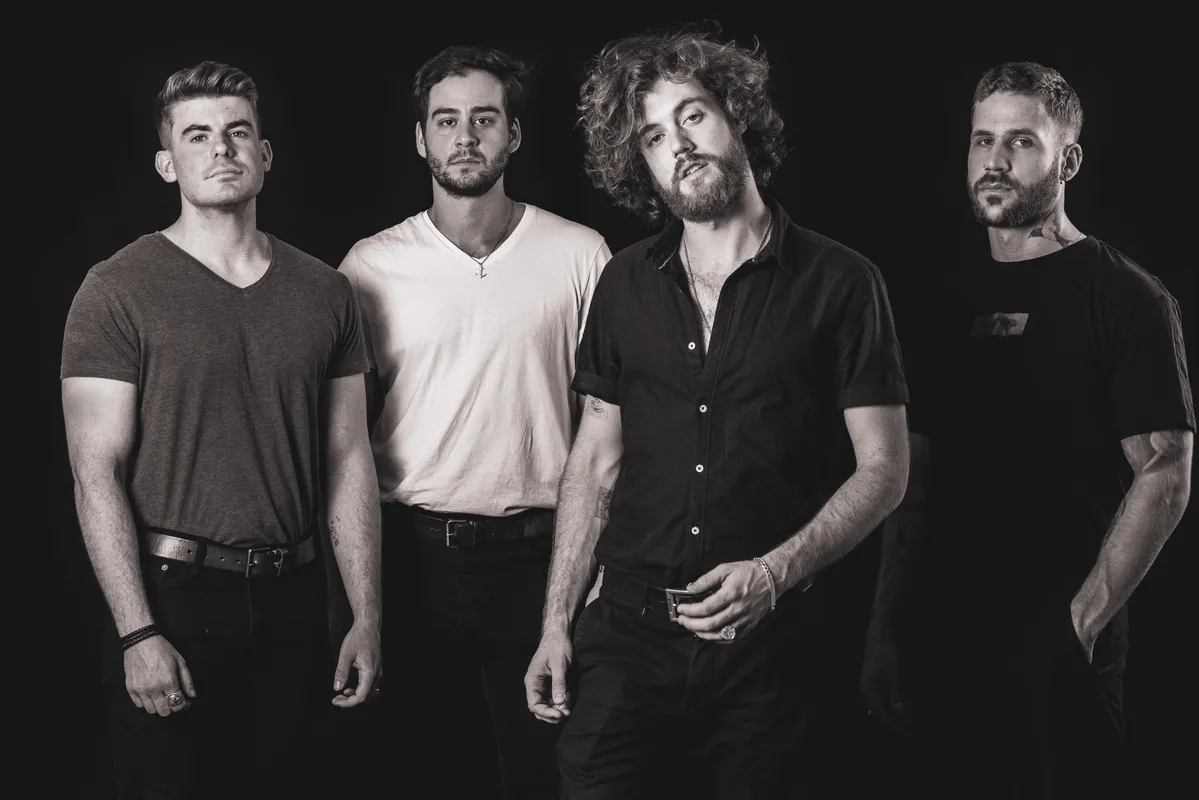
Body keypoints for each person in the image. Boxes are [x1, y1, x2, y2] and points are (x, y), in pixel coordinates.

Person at [523, 28, 912, 799]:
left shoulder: (842, 282)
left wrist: (773, 573)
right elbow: (594, 462)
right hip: (628, 639)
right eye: (652, 137)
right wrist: (555, 625)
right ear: (639, 163)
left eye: (692, 116)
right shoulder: (623, 283)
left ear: (737, 115)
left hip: (771, 650)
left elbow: (884, 469)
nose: (678, 145)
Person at [861, 61, 1194, 799]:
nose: (995, 160)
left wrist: (1082, 622)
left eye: (1020, 142)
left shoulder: (1126, 296)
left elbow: (1165, 470)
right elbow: (911, 475)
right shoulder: (938, 297)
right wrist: (883, 628)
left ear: (1067, 161)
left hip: (1058, 641)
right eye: (982, 140)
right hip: (940, 635)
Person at [60, 61, 383, 799]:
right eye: (198, 135)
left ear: (264, 154)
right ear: (166, 162)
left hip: (295, 600)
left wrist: (365, 617)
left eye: (238, 132)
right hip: (173, 596)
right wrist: (138, 632)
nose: (222, 149)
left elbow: (347, 457)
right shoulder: (116, 288)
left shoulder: (325, 291)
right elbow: (95, 472)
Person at [336, 45, 611, 799]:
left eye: (484, 119)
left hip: (540, 558)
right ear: (419, 138)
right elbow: (344, 441)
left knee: (540, 771)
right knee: (422, 769)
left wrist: (594, 576)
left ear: (513, 135)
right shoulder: (369, 267)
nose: (465, 137)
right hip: (412, 556)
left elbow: (612, 431)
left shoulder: (580, 254)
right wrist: (361, 602)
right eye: (446, 120)